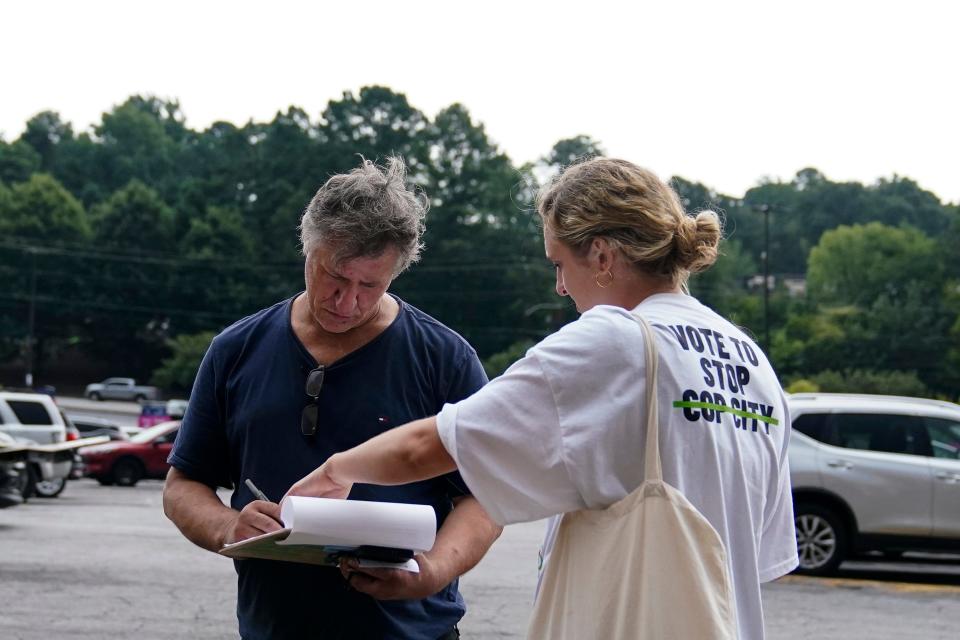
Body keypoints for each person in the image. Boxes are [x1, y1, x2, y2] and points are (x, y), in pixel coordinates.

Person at [289, 158, 799, 640]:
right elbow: (764, 557)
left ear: (601, 256)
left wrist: (337, 470)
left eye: (559, 262)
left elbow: (433, 444)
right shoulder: (751, 360)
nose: (560, 287)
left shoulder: (613, 339)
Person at [162, 157, 502, 640]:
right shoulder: (234, 350)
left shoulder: (445, 359)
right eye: (333, 278)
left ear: (397, 273)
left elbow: (486, 499)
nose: (347, 302)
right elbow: (182, 485)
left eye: (370, 285)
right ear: (307, 249)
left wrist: (430, 572)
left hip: (412, 632)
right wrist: (227, 525)